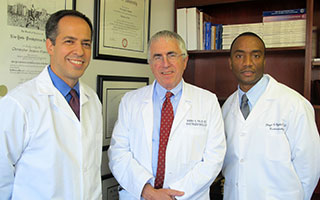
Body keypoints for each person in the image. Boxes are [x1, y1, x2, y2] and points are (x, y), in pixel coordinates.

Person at [108, 30, 226, 200]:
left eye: (171, 55)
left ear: (184, 61)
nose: (165, 64)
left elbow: (214, 158)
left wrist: (172, 194)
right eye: (157, 57)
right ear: (150, 63)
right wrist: (148, 191)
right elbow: (118, 153)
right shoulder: (130, 101)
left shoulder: (207, 101)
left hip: (187, 196)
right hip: (140, 194)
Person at [0, 10, 102, 199]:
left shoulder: (92, 100)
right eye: (69, 41)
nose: (79, 51)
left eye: (85, 43)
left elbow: (90, 169)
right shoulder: (19, 104)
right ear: (50, 46)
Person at [221, 32, 320, 200]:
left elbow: (309, 169)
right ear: (230, 63)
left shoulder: (294, 105)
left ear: (264, 61)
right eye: (239, 56)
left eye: (256, 55)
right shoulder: (226, 108)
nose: (247, 63)